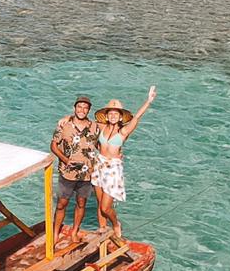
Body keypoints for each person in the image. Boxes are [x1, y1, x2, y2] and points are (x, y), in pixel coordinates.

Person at [92, 86, 156, 240]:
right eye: (111, 113)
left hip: (113, 169)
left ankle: (115, 223)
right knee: (99, 202)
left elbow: (137, 117)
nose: (113, 115)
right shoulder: (100, 127)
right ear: (106, 116)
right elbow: (84, 122)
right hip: (99, 165)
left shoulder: (123, 132)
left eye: (116, 114)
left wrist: (148, 101)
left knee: (105, 207)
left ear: (120, 117)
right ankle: (102, 229)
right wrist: (65, 120)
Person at [50, 96, 100, 243]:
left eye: (85, 108)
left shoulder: (94, 127)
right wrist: (65, 160)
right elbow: (53, 145)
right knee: (61, 203)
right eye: (79, 107)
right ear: (74, 108)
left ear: (89, 110)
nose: (82, 110)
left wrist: (115, 154)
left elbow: (111, 131)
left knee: (81, 203)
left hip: (86, 173)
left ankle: (75, 231)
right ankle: (55, 233)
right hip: (67, 172)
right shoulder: (64, 125)